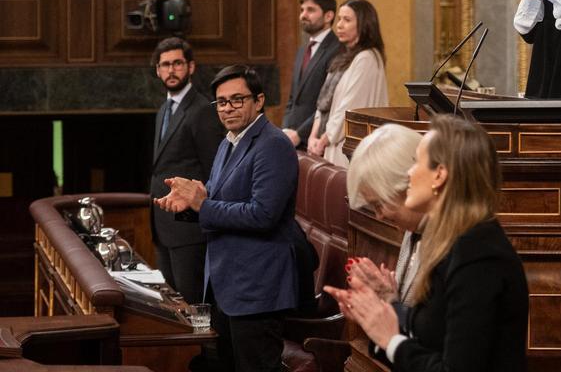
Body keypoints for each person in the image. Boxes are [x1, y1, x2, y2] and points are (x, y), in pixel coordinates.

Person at [325, 114, 528, 372]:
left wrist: (392, 341)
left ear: (439, 175)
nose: (409, 173)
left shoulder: (477, 252)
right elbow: (433, 332)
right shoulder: (454, 242)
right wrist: (385, 305)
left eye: (418, 162)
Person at [155, 65, 312, 372]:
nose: (228, 108)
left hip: (257, 288)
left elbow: (263, 214)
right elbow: (215, 199)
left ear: (259, 101)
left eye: (237, 99)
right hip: (225, 285)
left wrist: (201, 203)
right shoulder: (228, 141)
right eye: (222, 102)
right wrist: (186, 206)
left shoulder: (273, 144)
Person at [147, 37, 224, 303]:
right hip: (163, 225)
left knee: (194, 305)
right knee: (173, 306)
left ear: (190, 67)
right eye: (165, 65)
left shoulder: (202, 110)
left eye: (177, 63)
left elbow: (214, 170)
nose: (171, 70)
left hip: (189, 228)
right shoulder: (163, 110)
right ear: (157, 70)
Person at [342, 125, 426, 309]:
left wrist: (388, 304)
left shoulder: (461, 246)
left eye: (379, 204)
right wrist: (382, 300)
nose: (379, 216)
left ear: (408, 185)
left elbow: (427, 331)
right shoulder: (414, 229)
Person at [307, 0, 388, 167]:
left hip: (346, 147)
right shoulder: (343, 58)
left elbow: (349, 107)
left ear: (364, 24)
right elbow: (323, 104)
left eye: (347, 20)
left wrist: (322, 141)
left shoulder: (367, 58)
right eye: (339, 19)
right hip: (328, 140)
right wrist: (312, 137)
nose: (339, 25)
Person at [282, 0, 341, 148]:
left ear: (328, 16)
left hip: (316, 141)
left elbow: (329, 101)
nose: (303, 15)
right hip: (293, 139)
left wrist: (300, 134)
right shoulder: (303, 50)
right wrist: (287, 129)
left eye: (311, 10)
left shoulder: (338, 49)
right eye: (302, 10)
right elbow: (293, 99)